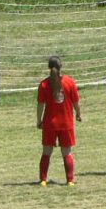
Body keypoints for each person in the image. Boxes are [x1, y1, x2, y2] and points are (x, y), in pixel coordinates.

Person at [36, 56, 81, 186]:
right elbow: (75, 102)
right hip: (66, 123)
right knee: (66, 152)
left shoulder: (44, 84)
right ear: (61, 66)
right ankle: (70, 180)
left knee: (46, 152)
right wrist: (78, 113)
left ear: (49, 67)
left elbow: (40, 105)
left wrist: (39, 120)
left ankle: (43, 180)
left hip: (50, 123)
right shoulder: (70, 82)